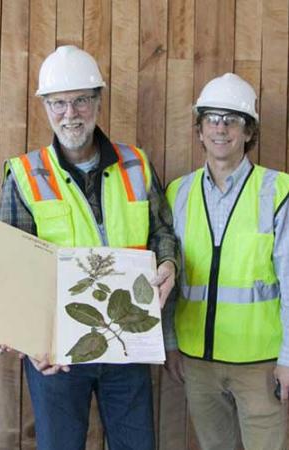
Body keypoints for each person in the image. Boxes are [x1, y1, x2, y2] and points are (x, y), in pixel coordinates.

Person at [0, 45, 179, 450]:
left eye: (81, 100)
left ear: (97, 102)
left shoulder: (136, 164)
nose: (70, 113)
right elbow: (13, 268)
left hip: (127, 340)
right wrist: (32, 341)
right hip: (57, 352)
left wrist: (168, 263)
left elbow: (162, 232)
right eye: (59, 103)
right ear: (45, 107)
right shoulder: (25, 174)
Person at [164, 73, 289, 450]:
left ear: (249, 132)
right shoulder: (178, 192)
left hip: (261, 364)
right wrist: (170, 341)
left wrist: (288, 357)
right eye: (212, 118)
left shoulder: (278, 190)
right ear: (199, 129)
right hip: (197, 362)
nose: (221, 128)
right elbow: (170, 274)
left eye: (232, 119)